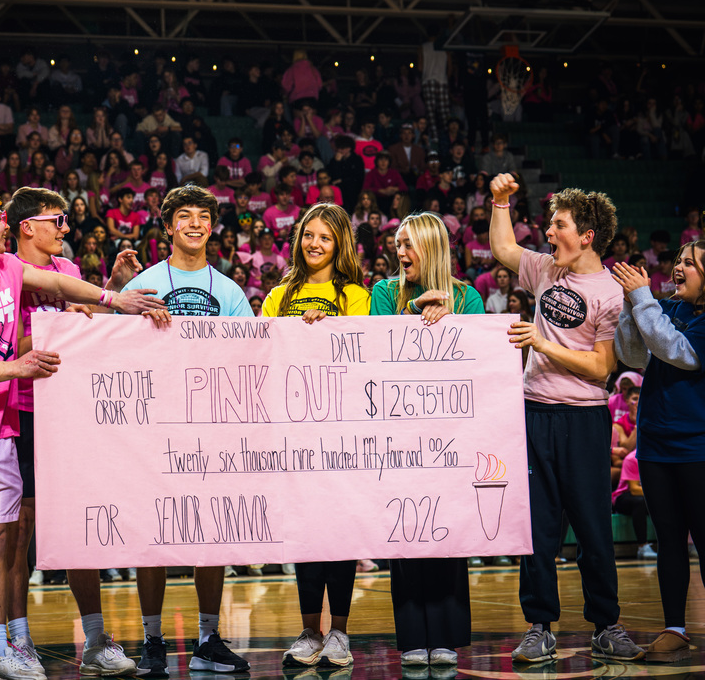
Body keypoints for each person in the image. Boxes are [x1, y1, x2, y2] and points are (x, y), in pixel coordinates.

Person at [488, 172, 644, 663]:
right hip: (534, 412)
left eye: (558, 225)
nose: (549, 232)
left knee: (593, 526)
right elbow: (504, 250)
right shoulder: (546, 270)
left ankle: (606, 625)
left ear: (587, 235)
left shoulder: (610, 291)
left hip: (583, 420)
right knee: (537, 528)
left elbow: (602, 367)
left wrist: (541, 343)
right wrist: (498, 203)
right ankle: (539, 626)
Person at [7, 187, 149, 676]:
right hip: (20, 409)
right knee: (18, 531)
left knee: (79, 528)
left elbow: (85, 325)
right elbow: (2, 353)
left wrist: (111, 286)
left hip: (67, 411)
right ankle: (18, 642)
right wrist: (55, 328)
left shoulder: (67, 272)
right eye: (58, 220)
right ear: (27, 226)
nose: (66, 228)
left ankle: (94, 640)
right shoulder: (5, 273)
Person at [121, 185, 252, 676]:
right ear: (168, 225)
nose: (195, 224)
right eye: (185, 216)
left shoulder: (231, 292)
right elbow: (120, 357)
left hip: (212, 428)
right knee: (153, 532)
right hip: (155, 427)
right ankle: (153, 638)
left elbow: (246, 360)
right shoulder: (146, 283)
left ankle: (208, 638)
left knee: (211, 532)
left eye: (203, 216)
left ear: (211, 226)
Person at [370, 212, 483, 668]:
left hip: (450, 434)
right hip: (398, 433)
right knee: (406, 531)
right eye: (398, 244)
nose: (401, 253)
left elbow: (477, 358)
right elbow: (376, 350)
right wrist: (414, 314)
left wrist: (451, 319)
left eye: (410, 245)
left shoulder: (467, 296)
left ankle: (447, 636)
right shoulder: (384, 292)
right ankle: (414, 635)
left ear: (433, 247)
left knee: (447, 532)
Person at [264, 203, 370, 669]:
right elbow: (262, 353)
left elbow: (363, 352)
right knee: (305, 532)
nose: (315, 244)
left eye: (325, 237)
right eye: (309, 235)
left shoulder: (355, 295)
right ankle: (310, 630)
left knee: (340, 531)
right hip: (294, 430)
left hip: (342, 429)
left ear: (339, 243)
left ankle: (340, 632)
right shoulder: (278, 296)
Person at [612, 245, 705, 663]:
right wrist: (631, 307)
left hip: (696, 446)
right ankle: (675, 628)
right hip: (654, 445)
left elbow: (678, 352)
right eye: (680, 261)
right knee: (667, 540)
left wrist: (643, 301)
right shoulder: (664, 305)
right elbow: (633, 355)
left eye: (690, 263)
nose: (679, 268)